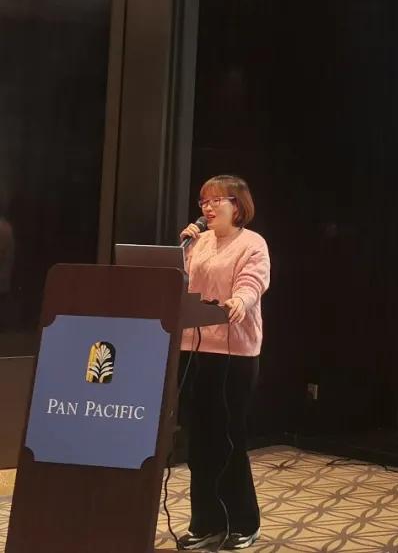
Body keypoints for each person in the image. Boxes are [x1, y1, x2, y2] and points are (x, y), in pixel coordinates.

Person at [176, 175, 270, 550]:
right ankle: (206, 523)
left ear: (238, 205)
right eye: (204, 202)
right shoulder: (196, 242)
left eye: (217, 200)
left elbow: (252, 283)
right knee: (199, 441)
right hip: (193, 348)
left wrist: (240, 301)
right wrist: (181, 252)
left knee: (228, 440)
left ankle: (243, 521)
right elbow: (181, 286)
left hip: (234, 353)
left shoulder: (252, 243)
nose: (208, 208)